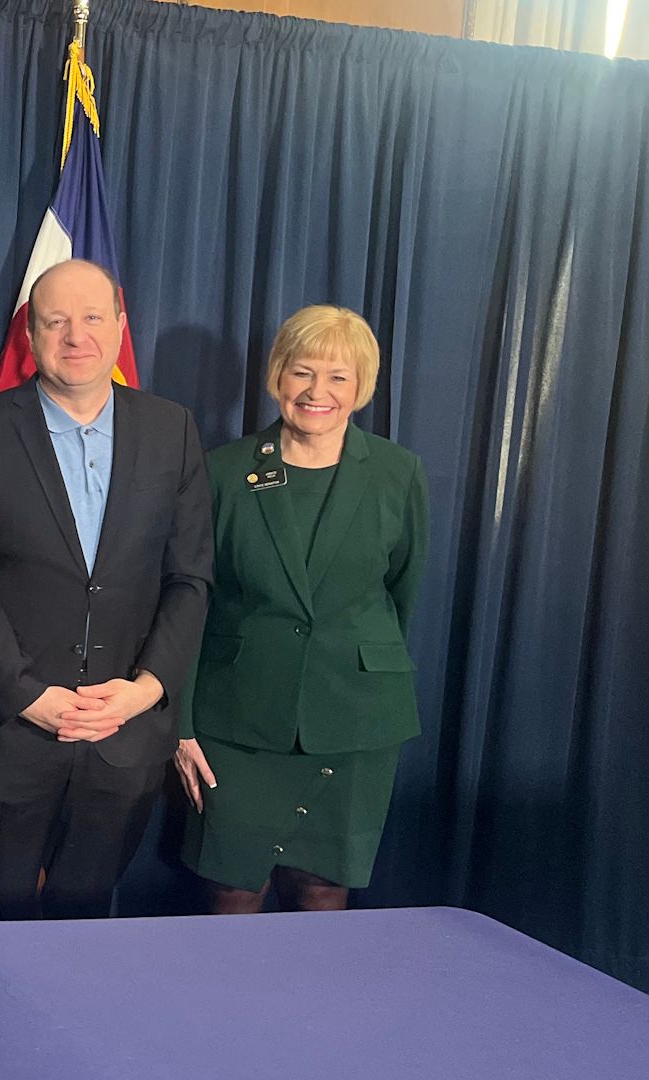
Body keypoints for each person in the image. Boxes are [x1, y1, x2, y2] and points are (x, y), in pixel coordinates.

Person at [0, 259, 213, 920]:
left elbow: (191, 578)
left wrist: (145, 691)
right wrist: (29, 696)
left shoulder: (172, 430)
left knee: (84, 934)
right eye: (55, 321)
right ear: (30, 336)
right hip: (4, 733)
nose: (75, 336)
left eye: (92, 318)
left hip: (123, 735)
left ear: (120, 328)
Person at [174, 305, 430, 913]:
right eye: (302, 372)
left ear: (362, 387)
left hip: (353, 720)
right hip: (236, 723)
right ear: (277, 377)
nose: (317, 392)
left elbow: (402, 593)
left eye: (338, 377)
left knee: (323, 889)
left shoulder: (398, 473)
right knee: (233, 889)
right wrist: (179, 726)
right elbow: (189, 601)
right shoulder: (222, 471)